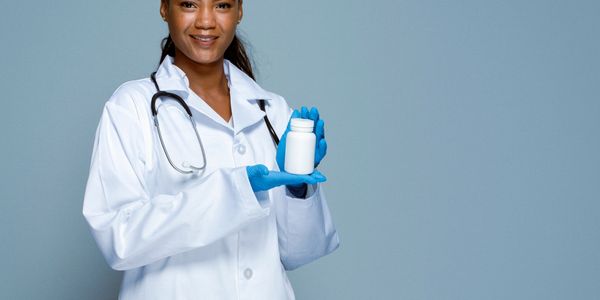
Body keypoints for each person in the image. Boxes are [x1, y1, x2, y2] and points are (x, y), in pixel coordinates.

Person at [82, 0, 339, 299]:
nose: (206, 21)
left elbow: (300, 252)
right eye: (189, 4)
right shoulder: (131, 107)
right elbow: (118, 239)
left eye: (222, 5)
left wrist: (297, 188)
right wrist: (234, 191)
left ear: (239, 10)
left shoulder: (273, 112)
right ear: (165, 8)